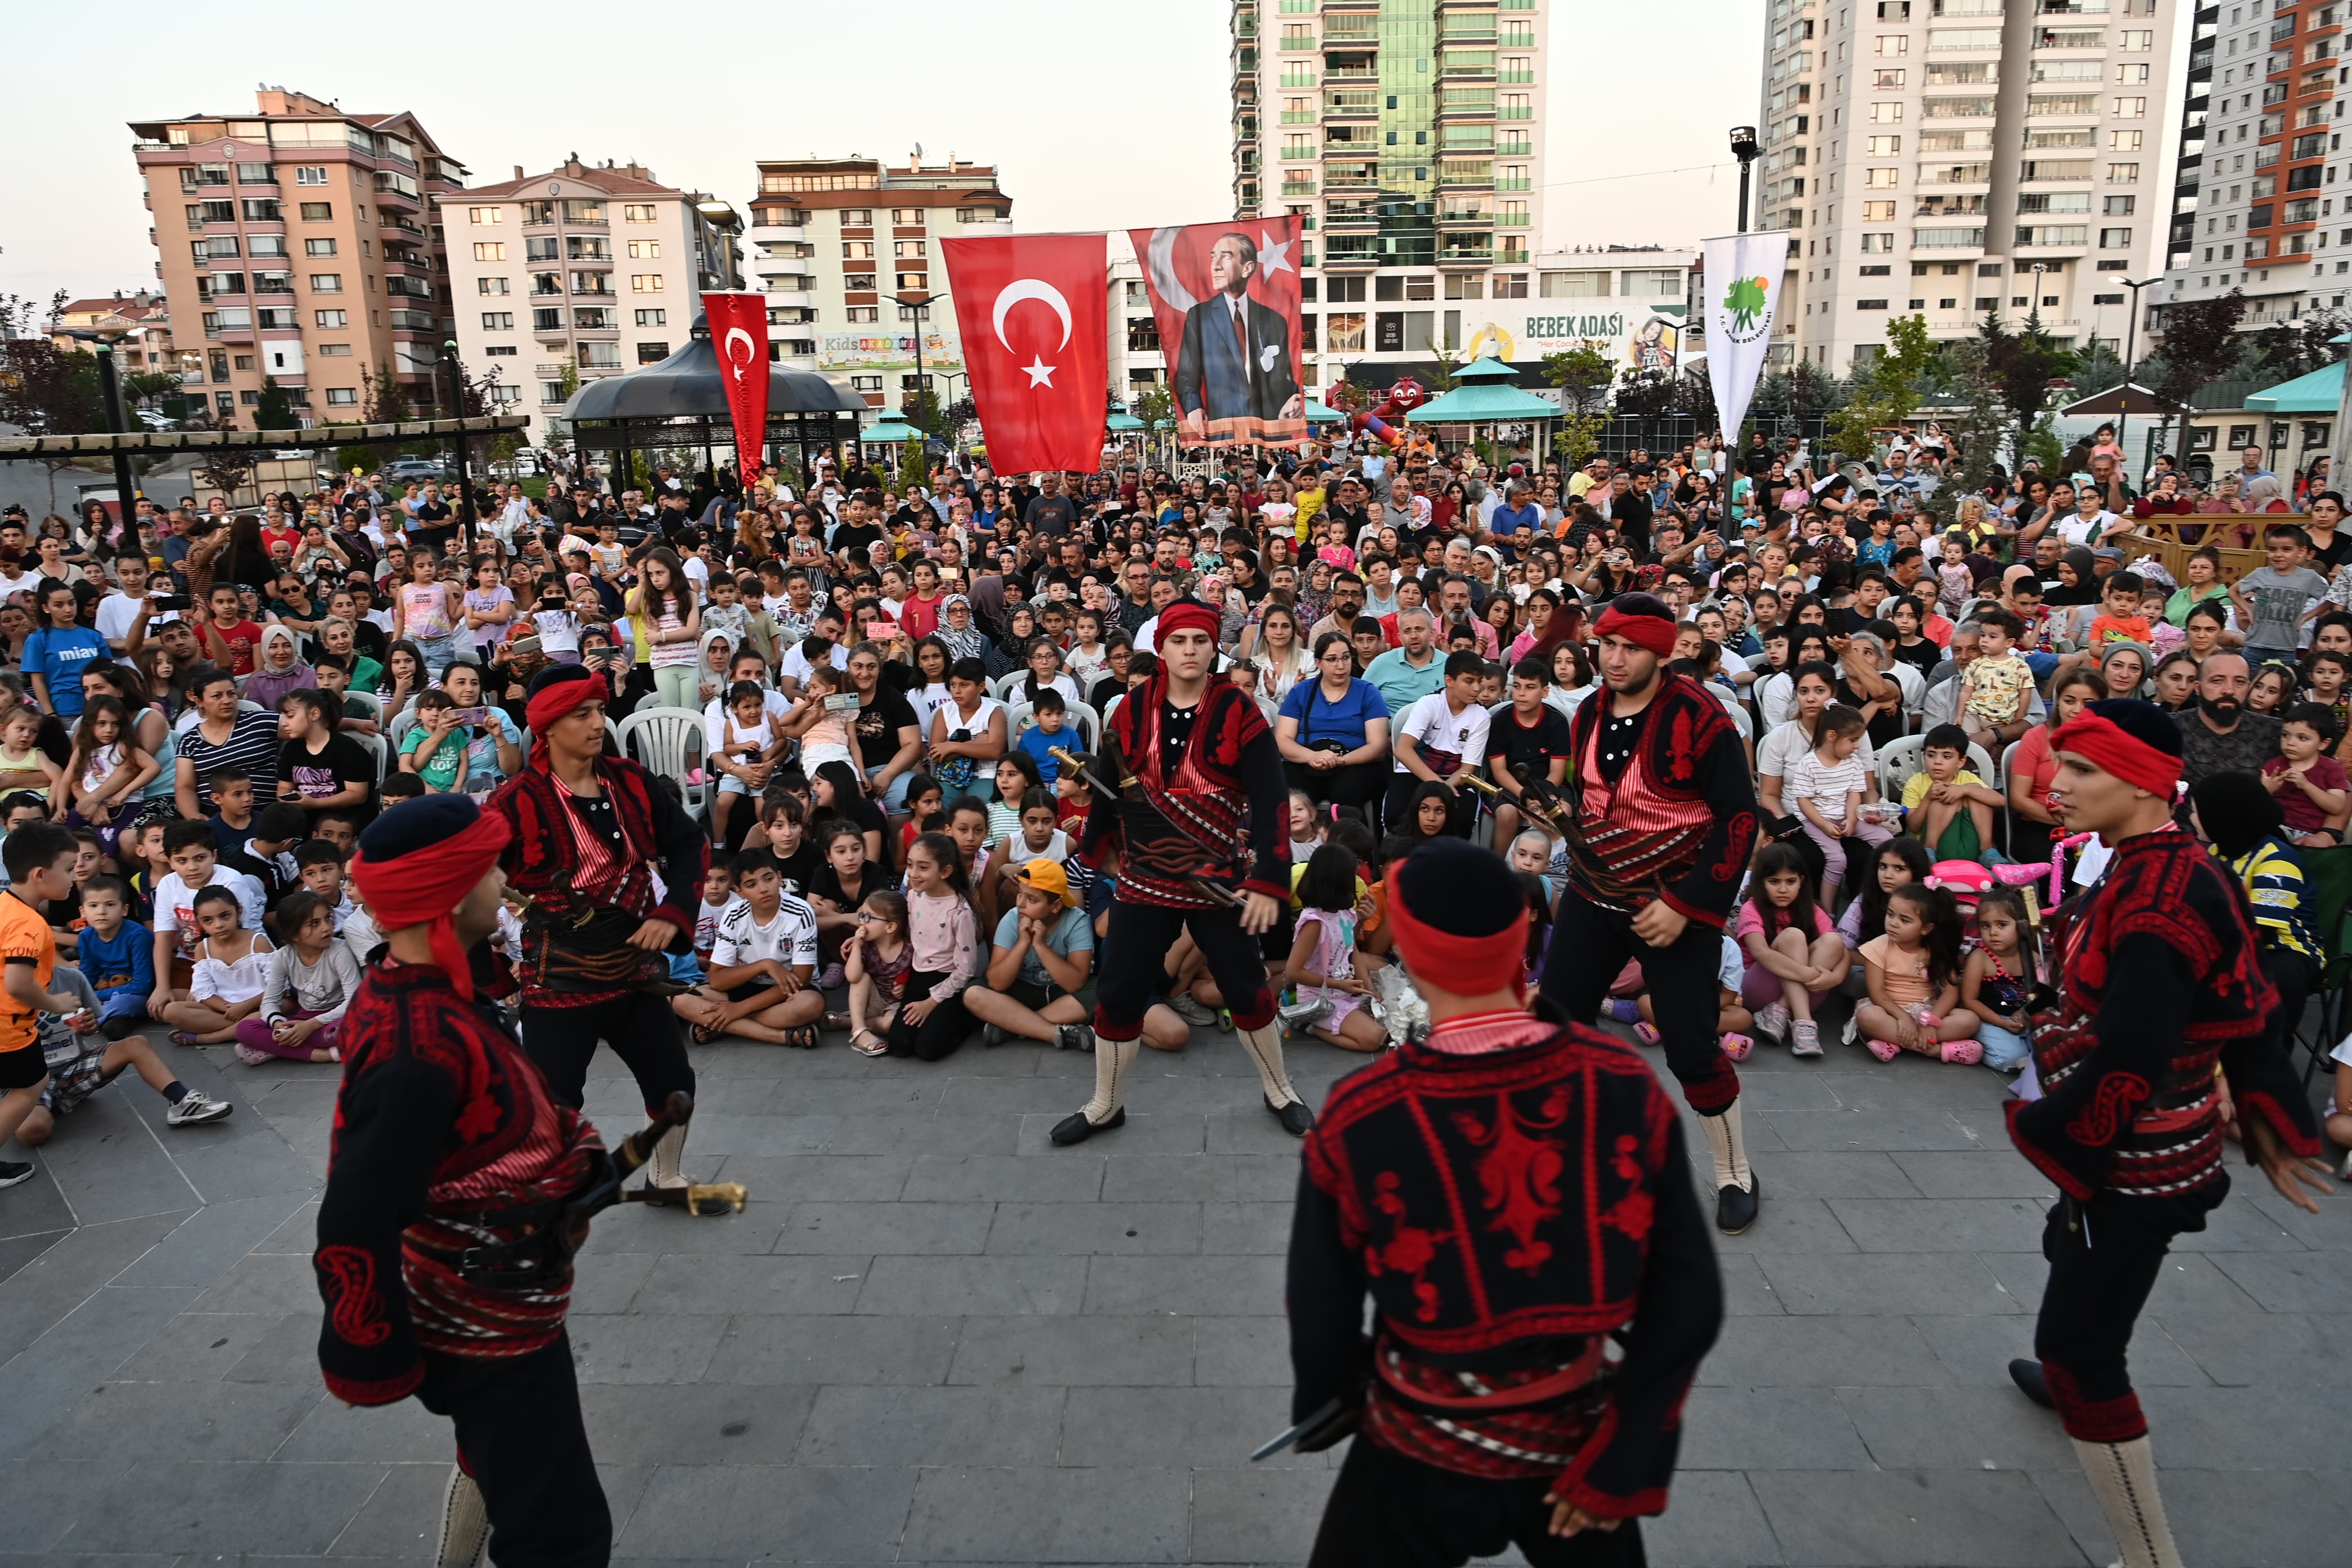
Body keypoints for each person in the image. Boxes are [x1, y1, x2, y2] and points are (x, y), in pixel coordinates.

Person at [1286, 837, 1721, 1568]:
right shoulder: (1620, 1083)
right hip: (1575, 1444)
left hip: (1416, 1441)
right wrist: (1622, 1457)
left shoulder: (1362, 1113)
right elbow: (1689, 1300)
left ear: (1412, 956)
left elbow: (1320, 1305)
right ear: (1522, 937)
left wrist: (1330, 1401)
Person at [2003, 700, 2328, 1568]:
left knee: (2081, 1354)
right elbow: (2245, 994)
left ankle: (2151, 1556)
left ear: (2144, 784)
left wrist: (2054, 1132)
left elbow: (2136, 1055)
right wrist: (2271, 1107)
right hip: (2132, 1147)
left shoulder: (2161, 899)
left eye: (2081, 772)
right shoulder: (2167, 861)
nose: (2055, 785)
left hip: (2131, 1161)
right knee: (2062, 1247)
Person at [313, 795, 615, 1568]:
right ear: (449, 894)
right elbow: (356, 1211)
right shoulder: (417, 1048)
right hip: (481, 1326)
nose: (503, 881)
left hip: (507, 1305)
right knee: (560, 1534)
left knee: (517, 1481)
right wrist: (369, 1353)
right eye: (489, 868)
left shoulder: (429, 989)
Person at [1536, 594, 1762, 1233]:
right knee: (1559, 1028)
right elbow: (1590, 800)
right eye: (1606, 644)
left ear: (1662, 653)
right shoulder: (1586, 713)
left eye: (1630, 648)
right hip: (1592, 893)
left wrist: (1687, 905)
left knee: (1692, 1048)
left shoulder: (1701, 717)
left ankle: (1733, 1172)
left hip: (1675, 905)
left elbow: (1741, 821)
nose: (1613, 659)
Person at [1057, 598, 1311, 1143]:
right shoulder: (1129, 709)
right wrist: (1091, 855)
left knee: (1247, 989)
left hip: (1217, 880)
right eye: (1179, 641)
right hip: (1143, 879)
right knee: (1120, 993)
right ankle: (1105, 1104)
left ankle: (1280, 1090)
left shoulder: (1240, 710)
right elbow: (1108, 787)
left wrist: (1268, 879)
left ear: (1213, 647)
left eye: (1200, 640)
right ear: (1161, 648)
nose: (1190, 650)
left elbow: (1271, 803)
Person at [487, 664, 709, 1199]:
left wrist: (672, 912)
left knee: (675, 1085)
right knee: (553, 1106)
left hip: (633, 974)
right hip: (558, 984)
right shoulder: (513, 802)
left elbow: (689, 846)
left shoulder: (631, 781)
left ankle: (665, 1176)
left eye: (599, 711)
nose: (596, 723)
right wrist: (494, 967)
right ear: (547, 726)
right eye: (581, 714)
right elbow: (472, 886)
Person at [1172, 231, 1303, 439]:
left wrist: (1291, 399)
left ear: (1247, 268)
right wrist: (1193, 407)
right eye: (1213, 257)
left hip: (1268, 430)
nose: (1215, 266)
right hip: (1223, 430)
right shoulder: (1200, 317)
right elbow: (1187, 375)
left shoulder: (1274, 320)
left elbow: (1284, 375)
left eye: (1225, 256)